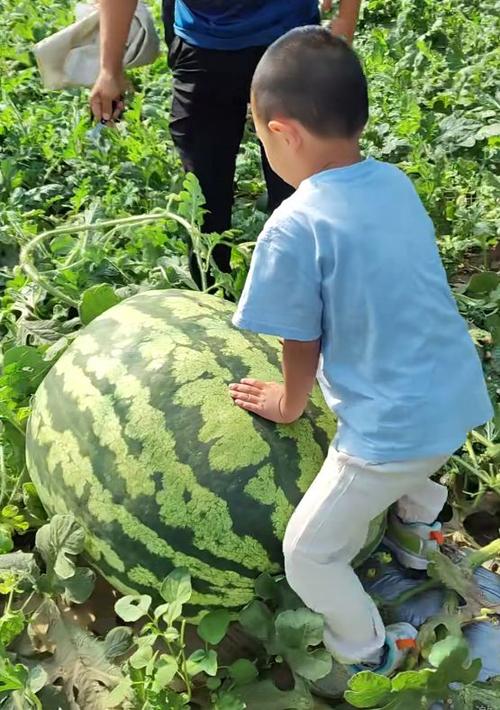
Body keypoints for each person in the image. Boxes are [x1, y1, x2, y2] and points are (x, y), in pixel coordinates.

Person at [228, 27, 493, 690]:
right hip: (457, 402)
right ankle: (415, 534)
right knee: (413, 462)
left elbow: (299, 336)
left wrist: (290, 403)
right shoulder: (394, 183)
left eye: (259, 136)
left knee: (308, 556)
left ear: (281, 131)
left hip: (390, 437)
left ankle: (369, 652)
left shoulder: (294, 224)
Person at [90, 1, 362, 275]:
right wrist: (109, 69)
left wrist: (343, 25)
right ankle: (210, 289)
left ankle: (304, 286)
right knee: (204, 190)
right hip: (202, 43)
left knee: (300, 189)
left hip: (290, 38)